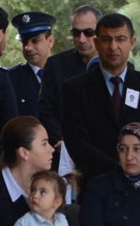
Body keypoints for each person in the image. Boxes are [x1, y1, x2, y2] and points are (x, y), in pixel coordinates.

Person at [61, 13, 140, 187]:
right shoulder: (75, 89)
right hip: (96, 185)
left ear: (132, 43)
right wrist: (119, 169)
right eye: (106, 40)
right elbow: (76, 142)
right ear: (97, 43)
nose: (113, 46)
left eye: (120, 39)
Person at [39, 5, 102, 145]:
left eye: (88, 32)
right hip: (63, 148)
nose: (82, 39)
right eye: (76, 33)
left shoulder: (115, 65)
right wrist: (64, 140)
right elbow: (46, 109)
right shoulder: (55, 65)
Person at [9, 12, 56, 116]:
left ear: (50, 41)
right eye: (24, 42)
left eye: (35, 41)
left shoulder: (66, 72)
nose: (28, 48)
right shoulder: (11, 79)